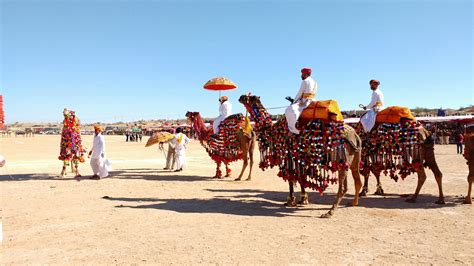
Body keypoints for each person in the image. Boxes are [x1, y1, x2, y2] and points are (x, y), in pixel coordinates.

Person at [284, 67, 317, 134]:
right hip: (313, 100)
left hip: (305, 101)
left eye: (302, 74)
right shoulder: (314, 82)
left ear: (304, 74)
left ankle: (293, 130)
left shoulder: (305, 81)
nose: (301, 76)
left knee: (289, 110)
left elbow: (300, 93)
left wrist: (294, 102)